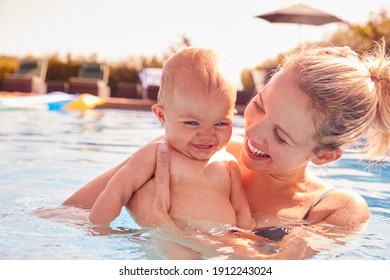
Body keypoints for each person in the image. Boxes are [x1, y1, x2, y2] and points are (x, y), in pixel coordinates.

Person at [64, 42, 390, 255]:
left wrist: (157, 223)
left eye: (280, 136)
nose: (253, 132)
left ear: (325, 155)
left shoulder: (334, 209)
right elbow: (67, 217)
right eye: (259, 106)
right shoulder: (189, 150)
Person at [86, 47, 256, 231]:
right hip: (173, 243)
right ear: (162, 116)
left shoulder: (229, 163)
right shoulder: (155, 154)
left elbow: (242, 213)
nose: (207, 135)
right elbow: (116, 191)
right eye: (192, 123)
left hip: (222, 244)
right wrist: (98, 229)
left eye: (221, 124)